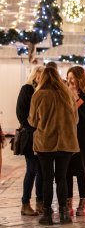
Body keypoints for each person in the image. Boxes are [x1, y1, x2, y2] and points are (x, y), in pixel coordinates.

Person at [28, 67, 79, 225]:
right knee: (62, 178)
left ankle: (47, 215)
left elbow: (32, 121)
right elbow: (75, 119)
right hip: (66, 142)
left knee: (47, 179)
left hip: (45, 143)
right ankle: (64, 214)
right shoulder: (68, 94)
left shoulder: (38, 95)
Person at [66, 66, 85, 217]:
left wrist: (75, 97)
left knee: (81, 171)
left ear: (79, 79)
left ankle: (83, 202)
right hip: (67, 137)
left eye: (72, 78)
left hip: (82, 138)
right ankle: (68, 202)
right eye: (68, 77)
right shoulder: (64, 94)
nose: (70, 81)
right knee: (67, 171)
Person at [16, 66, 44, 216]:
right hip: (29, 137)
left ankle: (40, 203)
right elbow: (20, 112)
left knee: (41, 171)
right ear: (35, 75)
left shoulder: (44, 90)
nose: (41, 77)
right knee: (32, 169)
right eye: (39, 74)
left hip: (43, 137)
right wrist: (31, 129)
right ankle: (25, 204)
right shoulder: (27, 89)